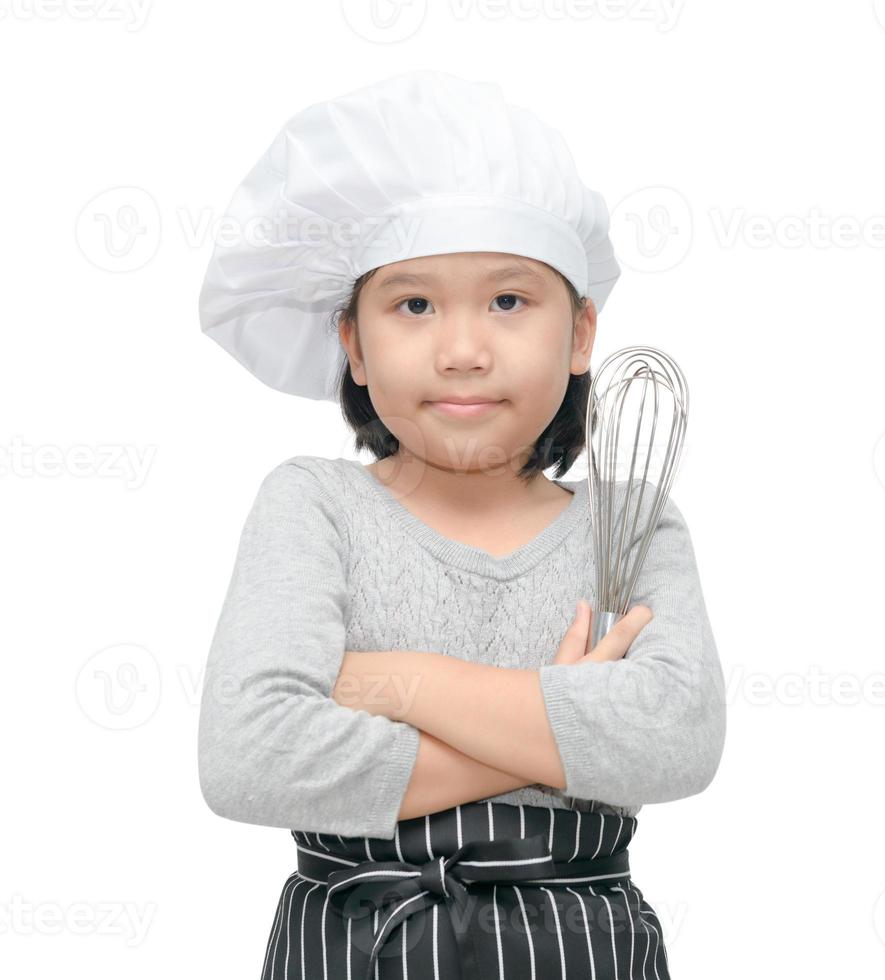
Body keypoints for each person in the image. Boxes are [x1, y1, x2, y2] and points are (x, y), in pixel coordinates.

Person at [196, 69, 726, 980]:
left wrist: (390, 679)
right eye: (413, 305)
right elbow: (249, 756)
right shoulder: (314, 506)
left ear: (581, 334)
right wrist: (561, 724)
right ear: (353, 343)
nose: (464, 349)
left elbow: (676, 740)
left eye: (509, 301)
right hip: (356, 948)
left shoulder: (632, 526)